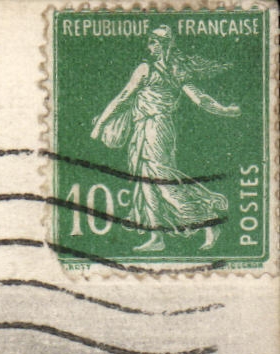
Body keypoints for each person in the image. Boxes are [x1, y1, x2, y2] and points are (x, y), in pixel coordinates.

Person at [90, 26, 241, 251]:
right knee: (146, 182)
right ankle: (156, 237)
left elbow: (123, 97)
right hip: (144, 129)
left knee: (162, 181)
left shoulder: (148, 69)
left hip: (155, 128)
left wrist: (100, 124)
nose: (149, 47)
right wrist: (224, 110)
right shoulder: (174, 72)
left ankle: (208, 220)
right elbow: (200, 99)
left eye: (152, 42)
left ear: (162, 46)